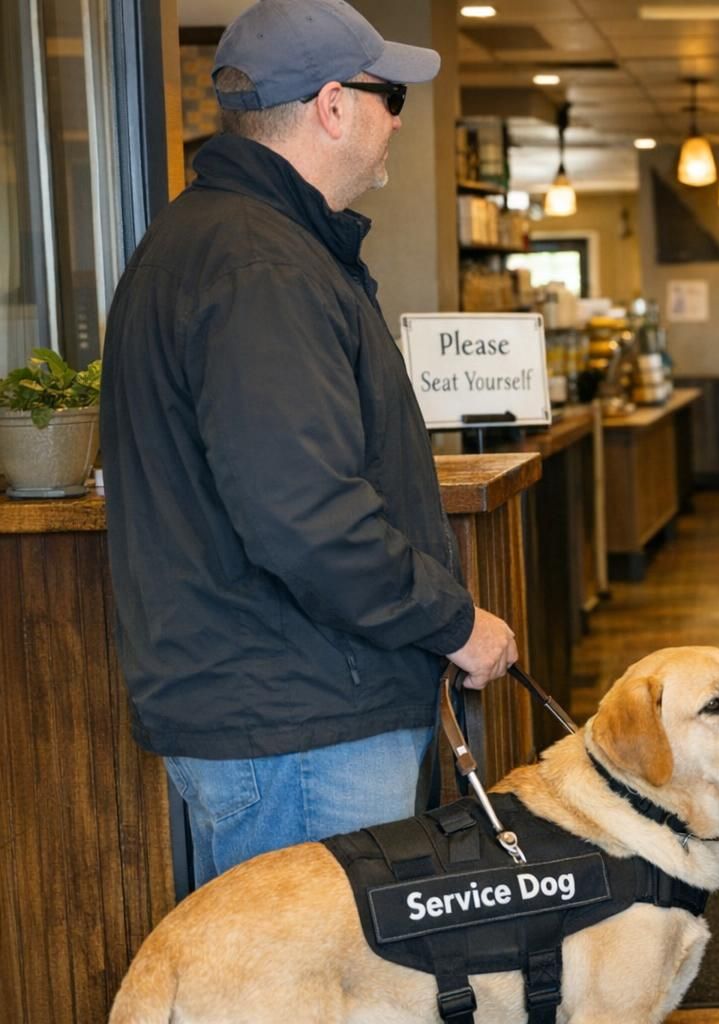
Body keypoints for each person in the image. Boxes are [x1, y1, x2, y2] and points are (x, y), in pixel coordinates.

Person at [100, 0, 518, 887]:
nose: (398, 119)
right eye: (388, 96)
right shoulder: (263, 267)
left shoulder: (228, 240)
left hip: (286, 712)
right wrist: (453, 622)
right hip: (302, 725)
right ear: (333, 106)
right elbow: (305, 515)